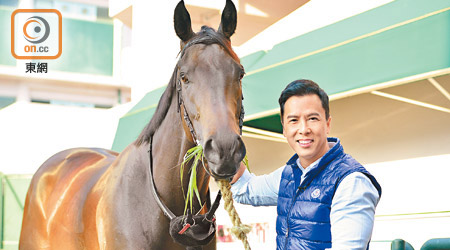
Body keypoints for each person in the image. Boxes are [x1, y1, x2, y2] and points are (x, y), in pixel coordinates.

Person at [231, 79, 382, 250]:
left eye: (312, 118)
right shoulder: (289, 174)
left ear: (327, 124)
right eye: (293, 120)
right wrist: (224, 150)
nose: (303, 129)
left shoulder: (352, 181)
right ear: (284, 128)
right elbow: (246, 189)